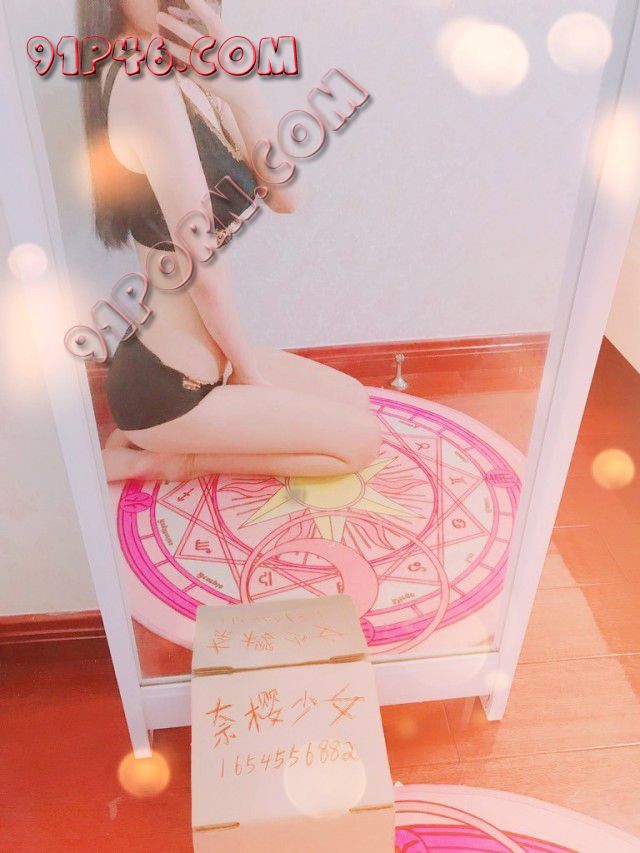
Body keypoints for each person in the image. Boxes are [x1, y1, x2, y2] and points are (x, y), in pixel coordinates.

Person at [77, 0, 381, 482]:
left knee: (355, 401)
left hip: (209, 363)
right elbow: (202, 271)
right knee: (359, 444)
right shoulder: (143, 81)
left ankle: (163, 437)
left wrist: (244, 93)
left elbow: (287, 198)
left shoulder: (187, 69)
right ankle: (168, 460)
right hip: (170, 386)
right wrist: (249, 375)